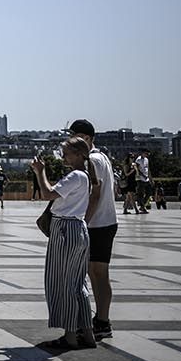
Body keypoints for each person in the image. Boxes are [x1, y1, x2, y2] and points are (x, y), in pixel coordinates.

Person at [30, 136, 95, 351]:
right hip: (78, 228)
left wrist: (40, 172)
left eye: (66, 153)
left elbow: (47, 194)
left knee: (63, 283)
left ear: (78, 155)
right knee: (78, 283)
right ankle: (87, 332)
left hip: (64, 230)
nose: (63, 156)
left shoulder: (75, 176)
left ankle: (70, 336)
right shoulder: (85, 176)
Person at [68, 119, 118, 342]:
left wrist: (83, 222)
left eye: (76, 138)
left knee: (97, 273)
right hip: (105, 222)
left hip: (97, 224)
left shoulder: (93, 161)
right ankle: (101, 321)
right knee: (97, 273)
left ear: (87, 139)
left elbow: (94, 195)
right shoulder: (103, 157)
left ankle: (102, 321)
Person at [134, 149, 151, 214]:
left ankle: (142, 205)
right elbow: (137, 169)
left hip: (146, 178)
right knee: (141, 194)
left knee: (149, 192)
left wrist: (150, 178)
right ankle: (142, 207)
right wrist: (143, 175)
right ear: (143, 153)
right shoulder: (138, 160)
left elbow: (148, 169)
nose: (147, 155)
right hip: (140, 179)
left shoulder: (146, 160)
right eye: (146, 154)